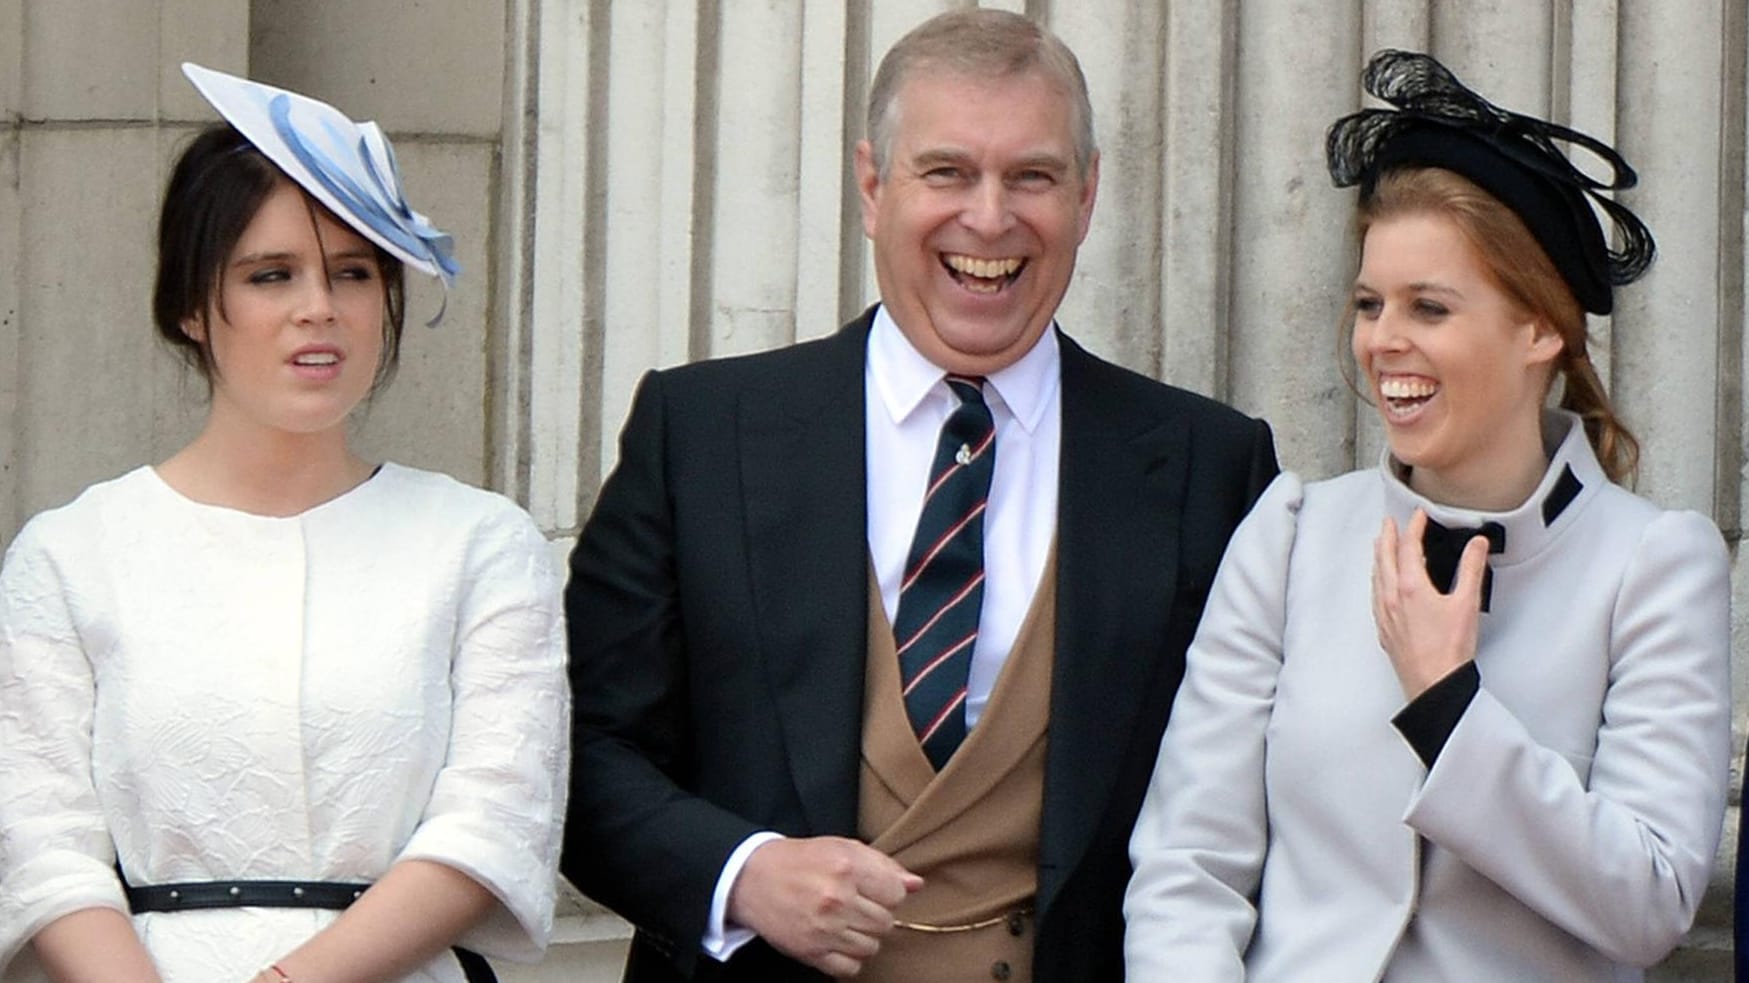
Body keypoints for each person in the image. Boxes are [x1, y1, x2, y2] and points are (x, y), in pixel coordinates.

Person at [560, 9, 1277, 982]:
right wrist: (743, 873)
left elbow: (1259, 808)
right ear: (872, 184)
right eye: (947, 172)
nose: (990, 218)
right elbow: (578, 754)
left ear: (1088, 192)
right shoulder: (700, 431)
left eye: (1032, 175)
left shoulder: (1211, 465)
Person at [1123, 49, 1731, 981]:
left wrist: (1450, 706)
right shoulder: (1290, 535)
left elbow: (1647, 901)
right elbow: (1186, 867)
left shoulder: (1654, 565)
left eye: (1429, 307)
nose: (1382, 341)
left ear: (1541, 329)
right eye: (1370, 303)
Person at [0, 64, 569, 983]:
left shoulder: (479, 543)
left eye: (353, 272)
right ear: (190, 306)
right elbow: (40, 839)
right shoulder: (72, 553)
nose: (320, 307)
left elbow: (493, 820)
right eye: (272, 274)